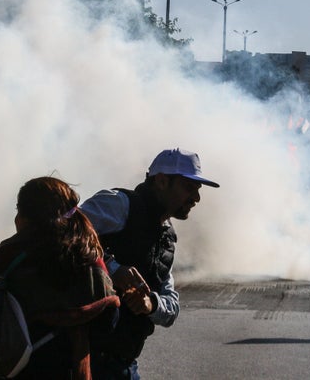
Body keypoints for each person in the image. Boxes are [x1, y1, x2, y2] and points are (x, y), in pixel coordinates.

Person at [0, 177, 120, 380]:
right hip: (69, 369)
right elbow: (107, 323)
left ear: (27, 217)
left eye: (19, 211)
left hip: (16, 367)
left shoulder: (9, 253)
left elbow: (3, 314)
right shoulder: (90, 256)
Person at [80, 148, 219, 379]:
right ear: (162, 181)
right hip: (83, 359)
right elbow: (63, 232)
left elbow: (171, 307)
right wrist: (111, 269)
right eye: (189, 188)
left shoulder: (166, 238)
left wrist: (150, 304)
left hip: (124, 364)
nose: (196, 198)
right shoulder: (120, 204)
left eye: (197, 190)